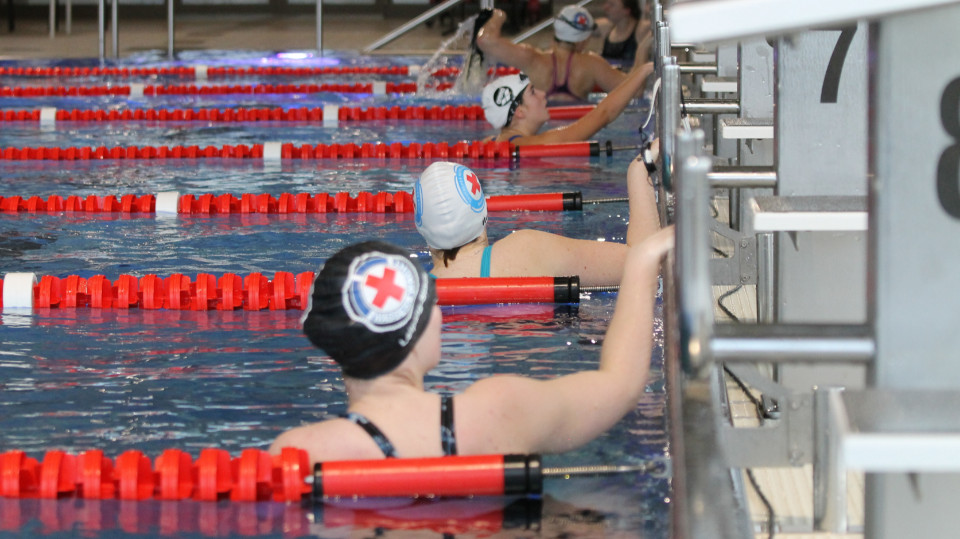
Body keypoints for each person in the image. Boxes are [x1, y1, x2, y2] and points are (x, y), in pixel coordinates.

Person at [268, 226, 673, 464]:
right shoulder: (497, 412)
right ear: (423, 326)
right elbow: (620, 383)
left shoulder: (299, 452)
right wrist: (643, 258)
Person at [413, 143, 661, 287]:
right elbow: (643, 263)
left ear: (422, 226)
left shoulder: (414, 295)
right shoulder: (525, 251)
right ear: (480, 206)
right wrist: (640, 170)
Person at [481, 61, 653, 146]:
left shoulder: (490, 142)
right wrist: (644, 71)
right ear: (520, 112)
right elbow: (603, 114)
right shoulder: (531, 145)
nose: (542, 94)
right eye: (532, 92)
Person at [474, 6, 626, 101]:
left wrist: (497, 16)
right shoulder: (592, 64)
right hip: (576, 130)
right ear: (584, 39)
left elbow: (485, 41)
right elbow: (634, 92)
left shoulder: (532, 59)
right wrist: (642, 53)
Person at [593, 0, 652, 66]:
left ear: (626, 10)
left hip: (632, 74)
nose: (605, 8)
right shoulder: (606, 26)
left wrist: (650, 11)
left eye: (612, 5)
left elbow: (659, 23)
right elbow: (585, 25)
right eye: (606, 3)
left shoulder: (641, 28)